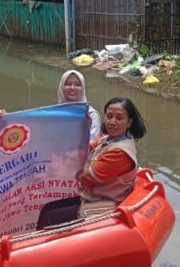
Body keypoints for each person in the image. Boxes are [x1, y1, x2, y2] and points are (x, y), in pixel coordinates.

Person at [35, 97, 147, 229]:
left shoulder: (120, 152)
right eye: (109, 116)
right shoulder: (107, 139)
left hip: (102, 202)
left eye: (119, 117)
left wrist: (62, 167)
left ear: (129, 122)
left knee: (50, 215)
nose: (112, 122)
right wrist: (81, 127)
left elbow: (87, 179)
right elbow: (84, 148)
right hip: (92, 196)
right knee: (48, 208)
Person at [57, 69, 101, 141]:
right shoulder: (54, 113)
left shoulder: (91, 114)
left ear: (82, 88)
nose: (72, 88)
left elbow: (92, 143)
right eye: (68, 84)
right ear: (61, 87)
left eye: (77, 85)